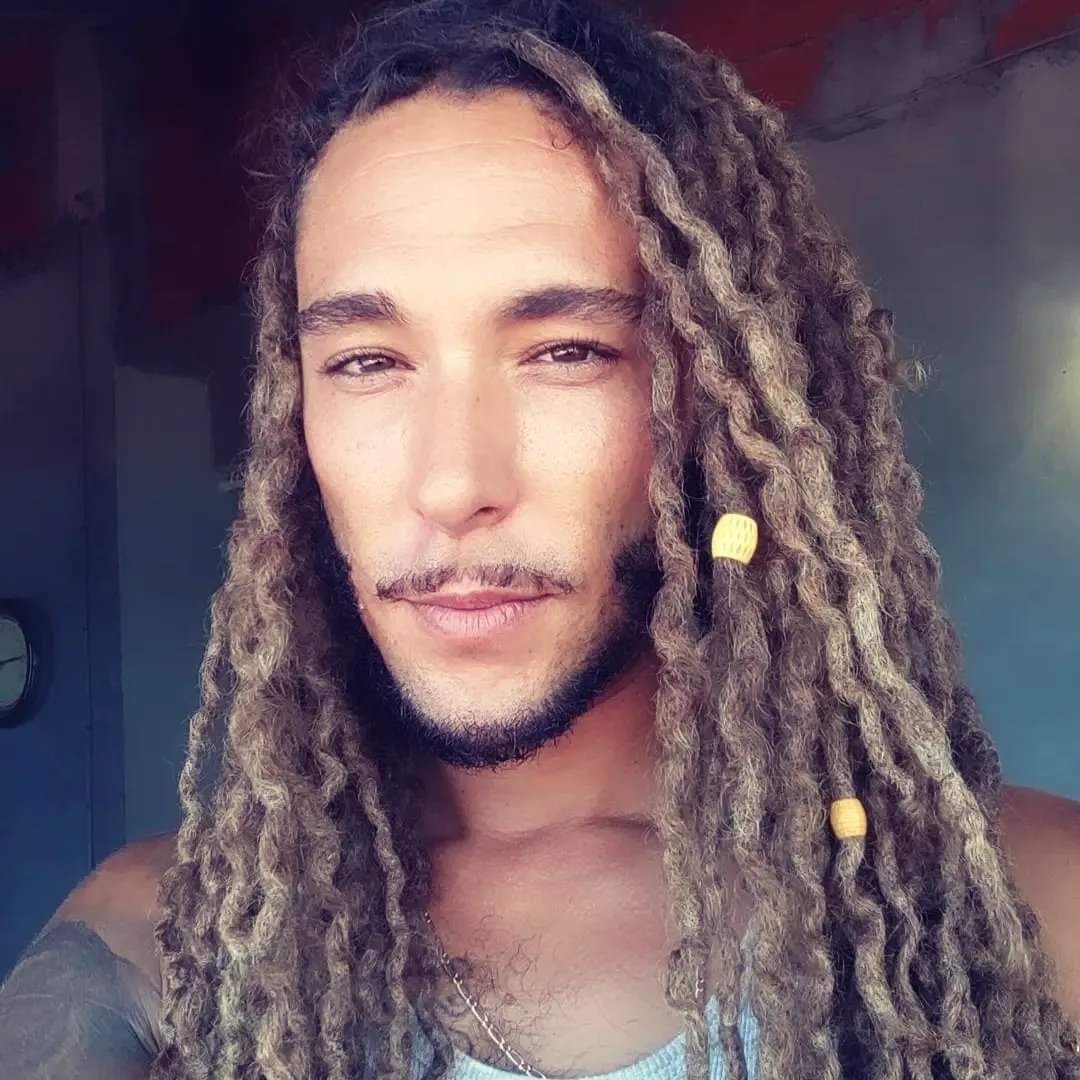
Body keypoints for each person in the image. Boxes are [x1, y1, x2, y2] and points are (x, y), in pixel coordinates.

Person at [3, 0, 1080, 1076]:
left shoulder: (1020, 906)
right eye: (368, 361)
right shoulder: (163, 949)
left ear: (718, 399)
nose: (452, 484)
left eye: (567, 351)